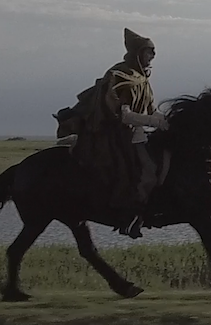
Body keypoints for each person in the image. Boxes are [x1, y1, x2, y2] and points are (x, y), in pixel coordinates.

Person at [72, 28, 171, 237]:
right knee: (146, 171)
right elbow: (124, 114)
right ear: (137, 53)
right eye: (148, 52)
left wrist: (167, 120)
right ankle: (132, 214)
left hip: (137, 133)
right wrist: (153, 121)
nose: (152, 56)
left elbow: (152, 109)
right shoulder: (122, 76)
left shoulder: (143, 79)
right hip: (118, 133)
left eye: (153, 52)